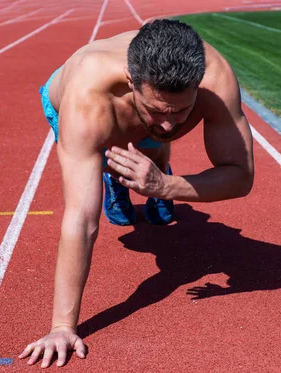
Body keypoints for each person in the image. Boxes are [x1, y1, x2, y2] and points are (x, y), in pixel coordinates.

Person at [19, 19, 254, 368]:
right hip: (83, 107)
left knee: (156, 146)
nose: (170, 125)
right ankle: (117, 174)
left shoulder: (215, 79)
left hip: (141, 122)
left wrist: (165, 186)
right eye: (158, 109)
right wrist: (61, 327)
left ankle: (149, 172)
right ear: (131, 82)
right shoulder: (88, 96)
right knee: (109, 159)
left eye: (182, 111)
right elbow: (82, 219)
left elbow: (242, 177)